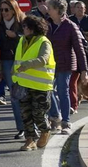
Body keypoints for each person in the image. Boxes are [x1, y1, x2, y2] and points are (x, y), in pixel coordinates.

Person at [44, 0, 87, 134]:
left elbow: (79, 49)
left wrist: (84, 71)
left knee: (63, 92)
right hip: (48, 65)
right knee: (47, 91)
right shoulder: (46, 25)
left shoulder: (70, 26)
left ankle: (66, 122)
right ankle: (55, 115)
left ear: (57, 9)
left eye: (50, 8)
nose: (47, 10)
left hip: (65, 65)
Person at [13, 15, 56, 149]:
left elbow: (43, 59)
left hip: (41, 85)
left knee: (38, 114)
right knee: (25, 114)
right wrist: (13, 73)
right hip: (23, 83)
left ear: (33, 28)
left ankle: (45, 130)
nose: (23, 28)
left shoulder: (44, 41)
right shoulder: (22, 40)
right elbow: (17, 59)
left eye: (25, 26)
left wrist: (27, 64)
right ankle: (30, 140)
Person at [0, 0, 23, 111]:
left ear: (14, 10)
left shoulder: (23, 24)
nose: (4, 12)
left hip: (23, 60)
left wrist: (16, 36)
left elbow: (31, 38)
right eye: (2, 10)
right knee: (14, 92)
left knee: (24, 92)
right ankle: (20, 122)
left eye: (6, 9)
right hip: (6, 61)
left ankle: (28, 119)